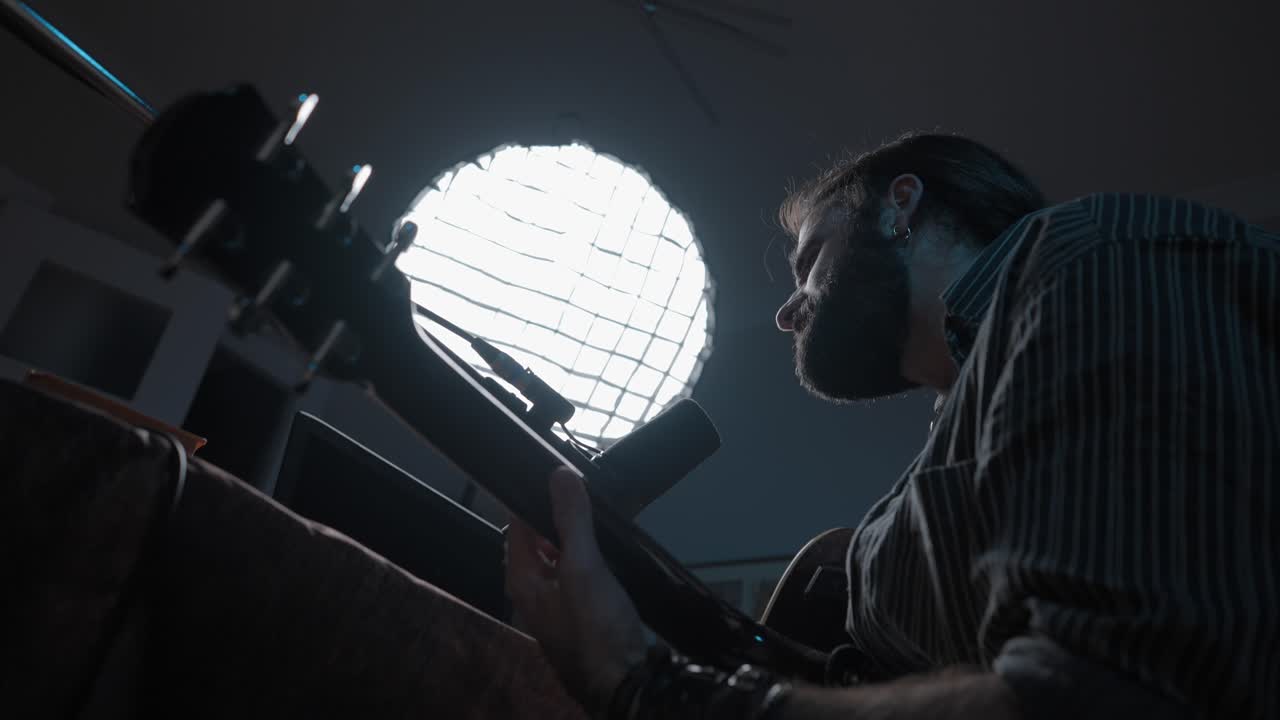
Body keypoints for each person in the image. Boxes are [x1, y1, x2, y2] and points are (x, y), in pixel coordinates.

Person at [504, 133, 1279, 719]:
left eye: (808, 258)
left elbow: (1109, 693)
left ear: (899, 204)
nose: (785, 308)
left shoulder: (1084, 258)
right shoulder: (934, 486)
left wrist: (641, 685)